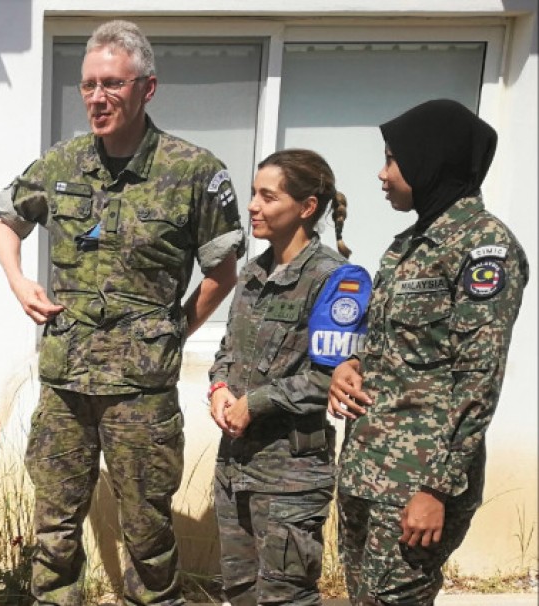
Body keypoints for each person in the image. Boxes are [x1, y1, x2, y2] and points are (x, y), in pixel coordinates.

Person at [0, 19, 245, 606]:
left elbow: (223, 270)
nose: (97, 98)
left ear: (146, 88)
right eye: (88, 85)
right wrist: (18, 280)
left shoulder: (194, 172)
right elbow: (8, 220)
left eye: (112, 84)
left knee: (148, 533)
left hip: (141, 391)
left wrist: (175, 329)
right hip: (65, 383)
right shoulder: (61, 164)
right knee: (54, 529)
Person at [328, 99, 529, 605]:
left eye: (392, 158)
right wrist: (351, 367)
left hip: (416, 483)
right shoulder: (408, 244)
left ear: (430, 159)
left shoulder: (484, 248)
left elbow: (478, 377)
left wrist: (436, 489)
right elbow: (398, 347)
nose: (381, 173)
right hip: (368, 468)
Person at [208, 149, 367, 605]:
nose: (253, 205)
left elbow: (331, 379)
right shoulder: (253, 273)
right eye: (253, 194)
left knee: (285, 597)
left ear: (306, 207)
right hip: (235, 465)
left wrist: (256, 403)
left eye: (267, 196)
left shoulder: (335, 280)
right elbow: (228, 352)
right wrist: (219, 388)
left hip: (291, 474)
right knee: (239, 592)